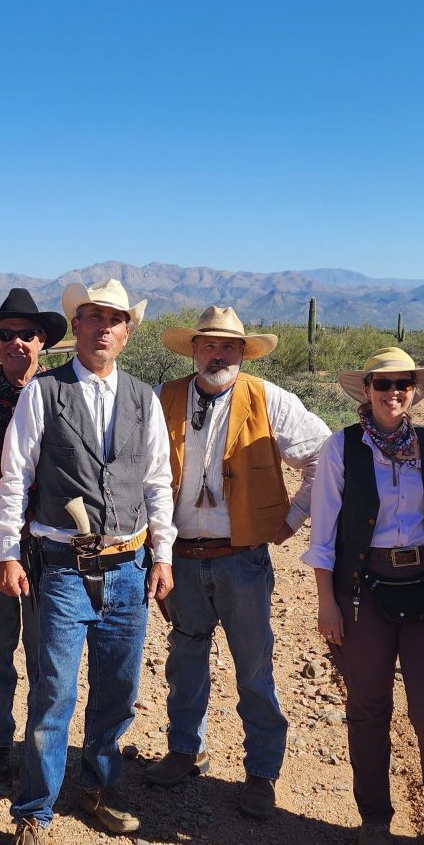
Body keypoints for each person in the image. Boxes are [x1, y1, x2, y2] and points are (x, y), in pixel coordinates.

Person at [0, 278, 176, 845]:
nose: (103, 328)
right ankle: (32, 815)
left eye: (114, 319)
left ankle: (96, 788)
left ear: (128, 331)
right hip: (65, 566)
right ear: (76, 327)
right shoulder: (44, 393)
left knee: (118, 692)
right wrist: (9, 552)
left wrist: (163, 555)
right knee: (53, 695)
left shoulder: (144, 398)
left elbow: (156, 483)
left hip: (127, 566)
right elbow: (15, 479)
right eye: (92, 317)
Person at [145, 306, 330, 818]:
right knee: (185, 662)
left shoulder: (269, 400)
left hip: (242, 558)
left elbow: (326, 456)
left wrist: (293, 517)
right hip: (181, 557)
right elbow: (145, 473)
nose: (218, 354)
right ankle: (185, 750)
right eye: (209, 345)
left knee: (254, 669)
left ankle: (262, 773)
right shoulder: (167, 399)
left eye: (229, 346)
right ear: (195, 350)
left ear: (243, 353)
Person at [302, 347, 424, 845]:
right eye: (383, 384)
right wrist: (327, 603)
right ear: (367, 389)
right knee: (368, 708)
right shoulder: (342, 448)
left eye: (403, 383)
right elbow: (325, 531)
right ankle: (375, 820)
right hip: (363, 589)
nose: (394, 392)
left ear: (413, 390)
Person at [0, 288, 68, 781]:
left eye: (27, 334)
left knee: (47, 650)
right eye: (6, 334)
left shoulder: (62, 394)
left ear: (42, 340)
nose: (16, 342)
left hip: (50, 544)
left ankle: (42, 746)